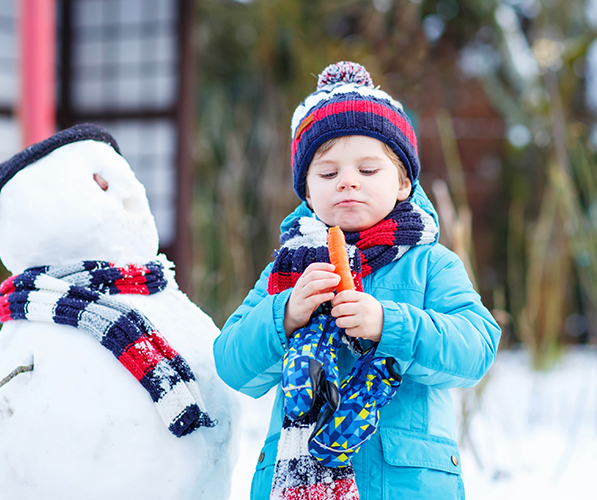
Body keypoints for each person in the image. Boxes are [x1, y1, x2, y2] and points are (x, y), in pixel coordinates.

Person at [213, 61, 501, 500]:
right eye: (328, 174)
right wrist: (285, 313)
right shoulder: (286, 271)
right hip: (294, 479)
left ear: (403, 183)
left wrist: (391, 324)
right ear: (308, 192)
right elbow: (232, 363)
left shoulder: (429, 264)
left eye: (368, 171)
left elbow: (476, 347)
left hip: (409, 483)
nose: (348, 183)